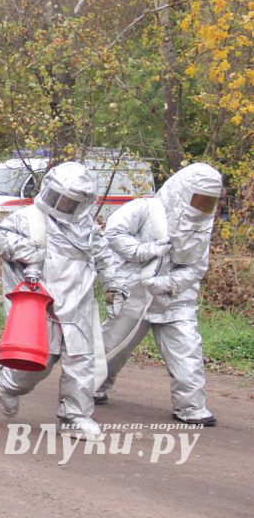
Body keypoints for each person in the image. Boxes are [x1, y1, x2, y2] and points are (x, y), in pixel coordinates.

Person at [0, 162, 125, 440]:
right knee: (38, 364)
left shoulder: (85, 227)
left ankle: (74, 416)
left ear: (82, 203)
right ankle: (7, 383)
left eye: (70, 201)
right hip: (41, 306)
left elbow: (104, 256)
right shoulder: (28, 218)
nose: (62, 204)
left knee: (82, 363)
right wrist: (27, 250)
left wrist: (115, 286)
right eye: (59, 196)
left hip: (79, 303)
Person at [94, 163, 222, 426]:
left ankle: (191, 407)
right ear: (183, 191)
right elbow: (113, 235)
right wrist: (146, 250)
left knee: (187, 355)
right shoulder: (146, 208)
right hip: (135, 294)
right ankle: (91, 387)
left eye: (209, 201)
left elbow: (197, 266)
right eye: (198, 198)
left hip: (176, 300)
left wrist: (168, 283)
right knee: (113, 347)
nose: (202, 206)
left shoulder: (202, 225)